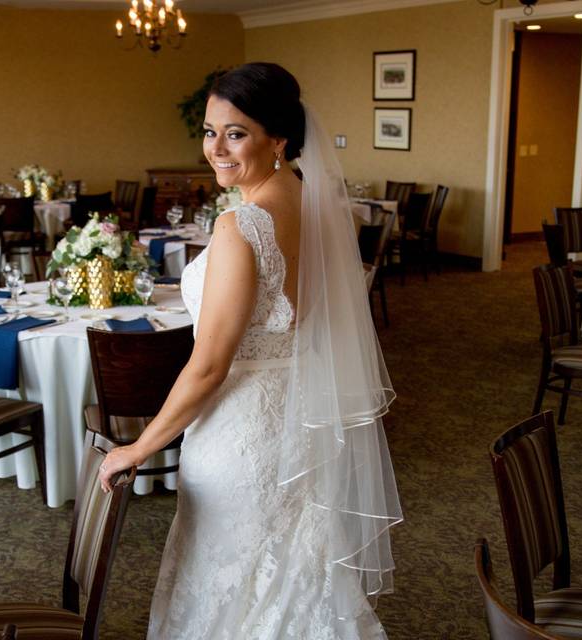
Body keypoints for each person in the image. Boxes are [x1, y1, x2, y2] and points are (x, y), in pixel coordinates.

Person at [98, 62, 402, 639]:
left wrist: (137, 448)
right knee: (294, 577)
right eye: (210, 131)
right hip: (298, 418)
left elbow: (210, 366)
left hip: (241, 434)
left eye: (235, 133)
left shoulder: (242, 225)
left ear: (278, 140)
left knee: (231, 583)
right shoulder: (314, 205)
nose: (216, 148)